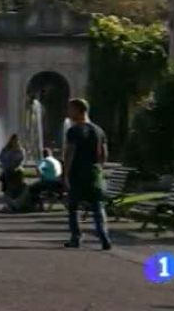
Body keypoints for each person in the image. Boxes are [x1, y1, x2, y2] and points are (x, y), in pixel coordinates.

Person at [63, 98, 112, 250]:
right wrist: (98, 167)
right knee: (98, 206)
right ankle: (104, 237)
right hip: (95, 172)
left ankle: (76, 237)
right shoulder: (99, 130)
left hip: (78, 172)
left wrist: (65, 174)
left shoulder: (74, 130)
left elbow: (70, 153)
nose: (69, 113)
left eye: (71, 109)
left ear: (79, 110)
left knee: (73, 207)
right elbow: (104, 154)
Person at [0, 134, 26, 212]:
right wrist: (6, 166)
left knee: (16, 190)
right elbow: (1, 158)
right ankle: (10, 205)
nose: (15, 142)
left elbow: (21, 161)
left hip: (16, 172)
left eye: (16, 141)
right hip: (7, 172)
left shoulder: (20, 150)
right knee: (7, 190)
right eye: (14, 140)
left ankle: (14, 205)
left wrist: (14, 167)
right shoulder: (6, 149)